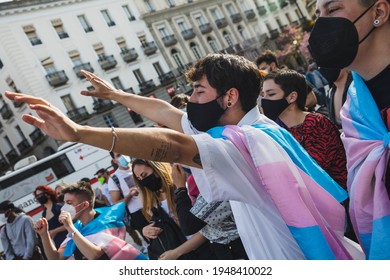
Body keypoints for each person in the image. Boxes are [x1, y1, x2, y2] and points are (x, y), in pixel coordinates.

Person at [4, 53, 362, 260]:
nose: (189, 99)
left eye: (198, 90)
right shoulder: (255, 127)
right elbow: (168, 114)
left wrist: (80, 134)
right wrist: (117, 96)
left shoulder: (241, 144)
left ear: (230, 97)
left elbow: (173, 145)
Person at [309, 0, 390, 259]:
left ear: (378, 12)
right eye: (318, 15)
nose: (321, 25)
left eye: (332, 10)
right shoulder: (353, 113)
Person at [261, 69, 347, 190]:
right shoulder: (280, 129)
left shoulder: (315, 123)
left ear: (292, 97)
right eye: (263, 95)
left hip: (341, 197)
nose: (264, 100)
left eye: (271, 94)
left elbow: (311, 172)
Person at [33, 181, 147, 260]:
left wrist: (70, 228)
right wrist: (44, 235)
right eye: (64, 202)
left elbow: (94, 255)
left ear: (85, 205)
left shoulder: (107, 222)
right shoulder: (78, 227)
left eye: (69, 203)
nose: (64, 207)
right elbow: (56, 258)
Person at [131, 158, 211, 260]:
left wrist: (176, 252)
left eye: (144, 175)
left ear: (156, 168)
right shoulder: (153, 201)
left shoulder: (183, 188)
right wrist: (145, 230)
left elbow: (206, 231)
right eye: (139, 179)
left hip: (204, 253)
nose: (144, 181)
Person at [170, 163, 248, 260]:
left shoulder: (219, 183)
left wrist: (180, 189)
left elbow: (188, 224)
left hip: (238, 247)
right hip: (223, 249)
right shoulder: (197, 182)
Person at [107, 152, 148, 237]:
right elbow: (115, 204)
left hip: (153, 206)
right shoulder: (114, 179)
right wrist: (130, 195)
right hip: (139, 214)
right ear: (115, 161)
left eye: (123, 152)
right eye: (118, 155)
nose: (123, 156)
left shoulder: (140, 166)